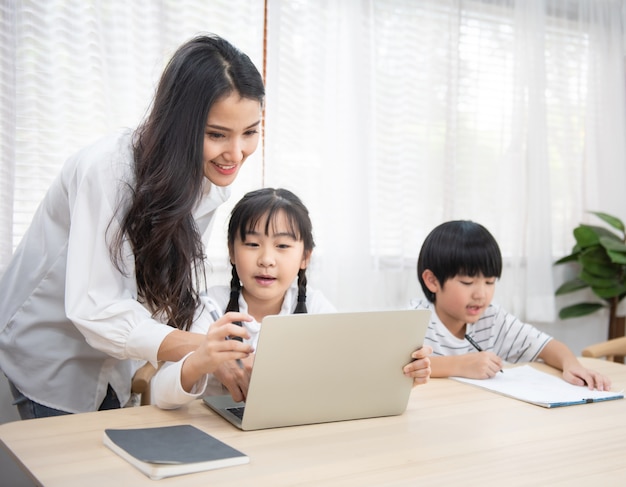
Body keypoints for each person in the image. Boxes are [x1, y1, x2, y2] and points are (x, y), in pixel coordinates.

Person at [0, 34, 262, 419]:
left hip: (114, 361)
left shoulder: (206, 179)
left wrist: (220, 350)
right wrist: (202, 348)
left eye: (250, 132)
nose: (236, 154)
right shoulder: (107, 171)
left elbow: (169, 286)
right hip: (53, 355)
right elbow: (99, 307)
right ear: (179, 125)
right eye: (217, 134)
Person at [151, 188, 432, 409]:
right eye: (252, 244)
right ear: (232, 253)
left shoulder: (317, 307)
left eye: (283, 246)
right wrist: (202, 360)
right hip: (217, 437)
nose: (266, 260)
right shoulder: (209, 308)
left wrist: (404, 375)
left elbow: (349, 379)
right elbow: (159, 395)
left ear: (305, 257)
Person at [411, 220, 611, 391]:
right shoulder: (412, 320)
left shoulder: (491, 318)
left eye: (490, 282)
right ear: (432, 281)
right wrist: (459, 365)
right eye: (467, 282)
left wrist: (571, 365)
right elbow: (392, 368)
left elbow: (547, 346)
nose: (481, 294)